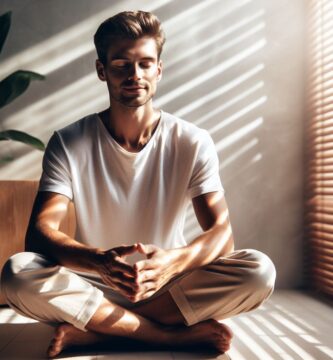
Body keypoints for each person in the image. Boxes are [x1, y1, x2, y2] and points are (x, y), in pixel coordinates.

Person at [0, 10, 276, 358]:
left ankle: (101, 333)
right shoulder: (69, 142)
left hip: (167, 286)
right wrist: (100, 261)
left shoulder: (192, 140)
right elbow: (40, 233)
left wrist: (173, 262)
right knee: (17, 272)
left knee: (259, 271)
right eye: (121, 64)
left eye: (146, 64)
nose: (135, 75)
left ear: (159, 69)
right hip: (92, 285)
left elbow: (222, 233)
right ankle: (164, 336)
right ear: (102, 70)